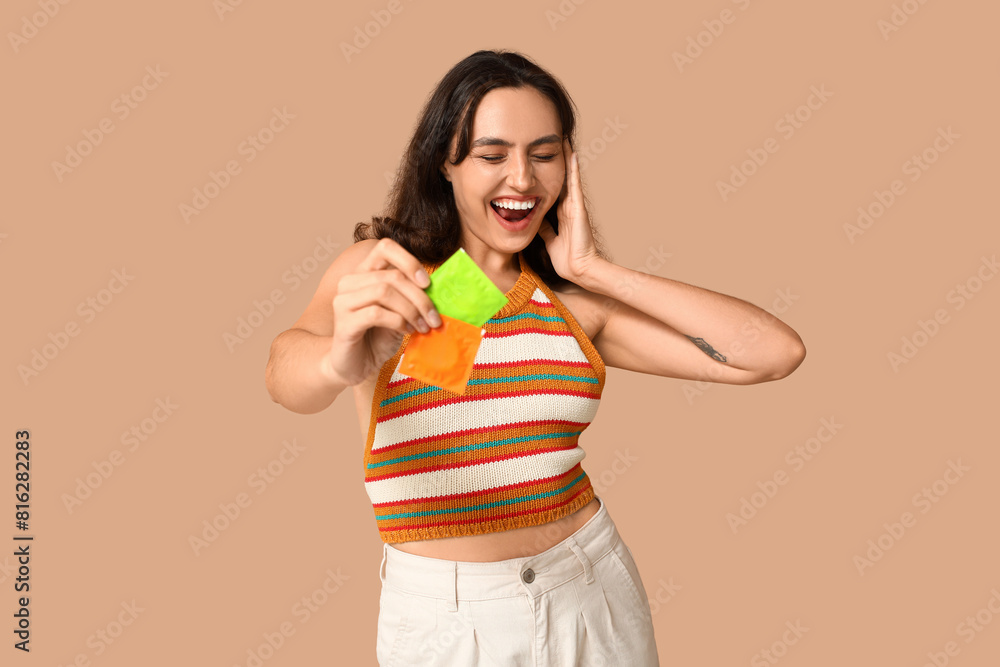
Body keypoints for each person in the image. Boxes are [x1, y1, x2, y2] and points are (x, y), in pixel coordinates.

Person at [265, 49, 806, 667]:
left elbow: (771, 353)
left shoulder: (574, 308)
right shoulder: (396, 274)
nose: (521, 179)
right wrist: (341, 362)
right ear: (445, 162)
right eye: (492, 156)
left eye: (543, 155)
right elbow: (285, 374)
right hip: (449, 622)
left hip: (590, 593)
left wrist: (595, 270)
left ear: (569, 169)